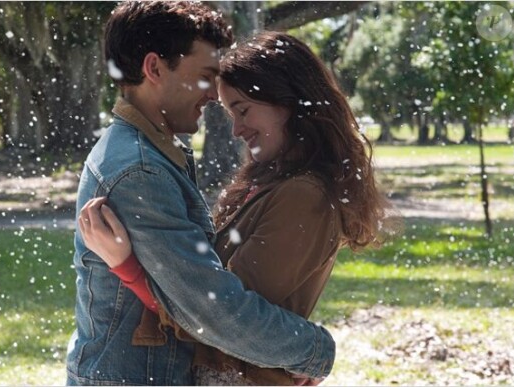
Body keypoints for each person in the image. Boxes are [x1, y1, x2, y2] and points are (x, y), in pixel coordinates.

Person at [78, 30, 395, 385]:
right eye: (231, 114)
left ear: (288, 101)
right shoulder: (275, 182)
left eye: (242, 111)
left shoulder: (304, 196)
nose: (236, 130)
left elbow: (221, 319)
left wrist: (127, 268)